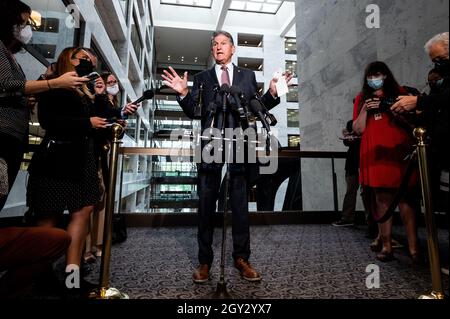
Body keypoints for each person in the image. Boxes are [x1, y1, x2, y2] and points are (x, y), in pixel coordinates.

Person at [162, 30, 292, 283]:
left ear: (233, 49)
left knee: (240, 205)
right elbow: (194, 112)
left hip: (240, 144)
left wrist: (273, 92)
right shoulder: (202, 78)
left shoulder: (247, 76)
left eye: (224, 44)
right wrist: (183, 94)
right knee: (206, 204)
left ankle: (242, 258)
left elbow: (257, 108)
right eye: (215, 44)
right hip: (210, 144)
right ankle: (204, 261)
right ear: (212, 51)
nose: (219, 47)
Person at [26, 47, 108, 291]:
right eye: (83, 59)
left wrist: (101, 95)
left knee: (83, 213)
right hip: (55, 160)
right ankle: (41, 278)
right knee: (47, 218)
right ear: (67, 60)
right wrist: (86, 123)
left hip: (82, 160)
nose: (87, 65)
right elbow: (49, 121)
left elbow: (102, 121)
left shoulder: (86, 92)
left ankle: (73, 280)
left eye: (91, 63)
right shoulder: (53, 85)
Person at [0, 0, 88, 211]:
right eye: (23, 22)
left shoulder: (10, 55)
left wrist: (27, 98)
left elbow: (15, 90)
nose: (28, 27)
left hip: (13, 136)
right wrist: (53, 83)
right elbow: (5, 85)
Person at [353, 61, 420, 263]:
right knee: (382, 200)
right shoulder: (361, 98)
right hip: (375, 154)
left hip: (400, 151)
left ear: (386, 75)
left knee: (407, 200)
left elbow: (413, 121)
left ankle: (414, 248)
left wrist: (390, 106)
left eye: (378, 75)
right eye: (371, 76)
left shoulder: (400, 93)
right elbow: (358, 129)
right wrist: (365, 108)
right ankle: (387, 245)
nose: (375, 79)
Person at [332, 120, 360, 227]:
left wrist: (349, 135)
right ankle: (347, 218)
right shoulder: (351, 123)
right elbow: (346, 141)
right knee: (350, 191)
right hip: (352, 162)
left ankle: (373, 222)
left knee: (367, 193)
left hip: (363, 161)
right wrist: (348, 135)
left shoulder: (366, 121)